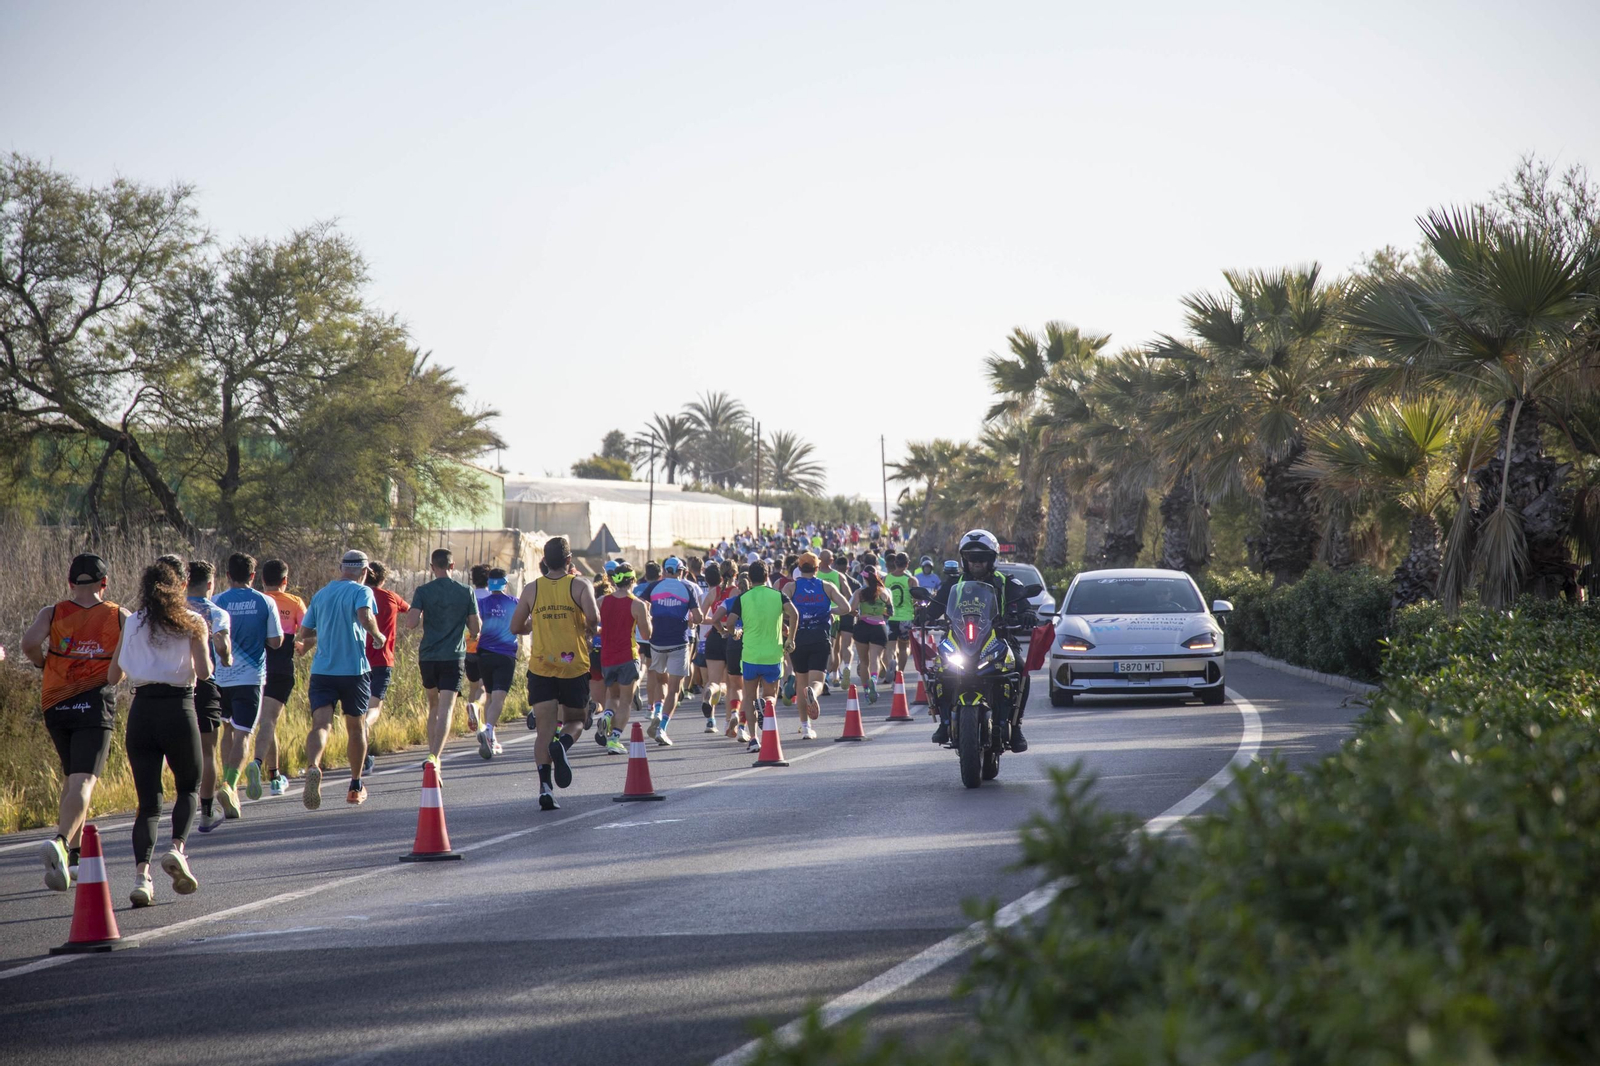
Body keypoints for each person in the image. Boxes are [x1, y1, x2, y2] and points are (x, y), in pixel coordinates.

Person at [21, 552, 127, 892]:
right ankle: (62, 842)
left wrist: (42, 664)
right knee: (84, 780)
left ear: (70, 582)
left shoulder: (52, 612)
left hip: (56, 704)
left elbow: (29, 643)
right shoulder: (118, 615)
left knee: (71, 778)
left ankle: (75, 858)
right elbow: (122, 667)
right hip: (93, 704)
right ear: (104, 583)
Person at [107, 560, 210, 906]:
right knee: (188, 787)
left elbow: (112, 676)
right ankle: (177, 849)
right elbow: (206, 671)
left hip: (142, 712)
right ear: (180, 587)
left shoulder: (133, 622)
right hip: (178, 708)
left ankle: (141, 878)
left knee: (148, 804)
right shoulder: (193, 622)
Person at [512, 536, 600, 811]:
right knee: (576, 719)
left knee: (543, 730)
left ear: (544, 562)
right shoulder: (581, 585)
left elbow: (516, 626)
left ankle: (545, 789)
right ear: (569, 560)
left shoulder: (531, 589)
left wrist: (534, 623)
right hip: (573, 667)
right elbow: (594, 619)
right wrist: (587, 629)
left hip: (541, 668)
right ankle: (562, 745)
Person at [928, 529, 1033, 751]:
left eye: (982, 557)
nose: (976, 562)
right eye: (971, 557)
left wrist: (1026, 614)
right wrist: (923, 616)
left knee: (1021, 670)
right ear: (964, 559)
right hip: (958, 641)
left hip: (997, 640)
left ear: (992, 558)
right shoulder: (953, 584)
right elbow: (935, 607)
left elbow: (1024, 603)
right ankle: (944, 722)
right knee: (938, 672)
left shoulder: (1006, 582)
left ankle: (1016, 726)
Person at [298, 550, 386, 809]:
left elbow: (304, 632)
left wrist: (324, 631)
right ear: (365, 571)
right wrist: (377, 636)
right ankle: (356, 785)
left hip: (323, 670)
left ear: (341, 567)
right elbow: (365, 616)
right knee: (356, 728)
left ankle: (314, 765)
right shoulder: (362, 591)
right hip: (354, 671)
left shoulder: (321, 594)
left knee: (321, 725)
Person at [212, 553, 284, 815]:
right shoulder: (265, 601)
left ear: (227, 575)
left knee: (227, 730)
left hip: (220, 677)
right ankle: (230, 785)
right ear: (253, 576)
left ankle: (227, 786)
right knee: (243, 733)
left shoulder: (217, 600)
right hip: (251, 678)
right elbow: (276, 641)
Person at [403, 548, 481, 770]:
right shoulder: (466, 591)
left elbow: (410, 623)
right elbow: (475, 628)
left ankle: (431, 753)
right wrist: (471, 630)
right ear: (452, 566)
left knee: (434, 706)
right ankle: (435, 758)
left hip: (428, 656)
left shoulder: (423, 591)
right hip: (453, 656)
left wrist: (420, 613)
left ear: (431, 568)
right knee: (447, 707)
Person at [713, 561, 797, 753]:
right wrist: (790, 639)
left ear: (749, 578)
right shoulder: (778, 595)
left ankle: (753, 739)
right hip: (773, 654)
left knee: (749, 697)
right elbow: (795, 614)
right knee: (771, 697)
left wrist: (732, 633)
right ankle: (765, 705)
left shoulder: (742, 598)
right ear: (767, 577)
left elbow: (729, 621)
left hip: (750, 655)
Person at [186, 561, 235, 832]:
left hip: (168, 684)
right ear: (210, 585)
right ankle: (205, 811)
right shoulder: (216, 612)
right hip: (204, 683)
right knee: (207, 751)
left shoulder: (171, 610)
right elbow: (222, 644)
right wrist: (226, 656)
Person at [787, 552, 852, 738]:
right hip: (819, 637)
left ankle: (805, 726)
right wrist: (828, 610)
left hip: (798, 638)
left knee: (801, 681)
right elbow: (846, 608)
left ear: (799, 568)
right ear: (817, 568)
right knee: (817, 681)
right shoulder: (826, 586)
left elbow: (781, 607)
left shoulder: (791, 587)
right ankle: (813, 694)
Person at [642, 556, 702, 747]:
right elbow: (699, 617)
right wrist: (689, 616)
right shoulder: (688, 587)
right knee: (674, 689)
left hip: (657, 642)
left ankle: (657, 711)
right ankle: (663, 727)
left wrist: (652, 617)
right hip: (679, 642)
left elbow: (639, 605)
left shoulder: (653, 587)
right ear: (681, 571)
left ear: (665, 570)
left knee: (661, 680)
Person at [596, 561, 652, 755]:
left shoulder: (602, 601)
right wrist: (649, 616)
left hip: (607, 657)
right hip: (628, 656)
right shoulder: (638, 604)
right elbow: (646, 635)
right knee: (626, 701)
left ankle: (607, 715)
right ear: (633, 581)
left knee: (612, 696)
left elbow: (591, 625)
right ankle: (614, 739)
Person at [258, 560, 304, 796]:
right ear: (285, 580)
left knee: (263, 724)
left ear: (262, 580)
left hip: (251, 671)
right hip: (280, 670)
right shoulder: (294, 602)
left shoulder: (255, 600)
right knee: (268, 722)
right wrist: (305, 645)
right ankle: (258, 766)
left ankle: (274, 775)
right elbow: (310, 630)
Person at [361, 561, 411, 775]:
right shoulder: (390, 597)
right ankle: (364, 727)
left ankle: (363, 754)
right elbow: (411, 611)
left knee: (359, 705)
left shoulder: (357, 596)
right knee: (374, 707)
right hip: (382, 659)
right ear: (383, 579)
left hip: (358, 660)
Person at [473, 567, 519, 759]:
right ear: (505, 583)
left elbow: (474, 626)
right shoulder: (515, 603)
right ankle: (488, 729)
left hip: (484, 654)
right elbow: (525, 624)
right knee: (499, 698)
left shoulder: (481, 603)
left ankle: (491, 738)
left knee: (490, 696)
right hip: (505, 654)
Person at [850, 566, 891, 703]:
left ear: (864, 578)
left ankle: (867, 692)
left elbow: (852, 609)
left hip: (862, 626)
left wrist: (857, 613)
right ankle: (874, 679)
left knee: (863, 662)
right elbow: (891, 613)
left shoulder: (859, 593)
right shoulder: (885, 592)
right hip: (879, 627)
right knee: (876, 660)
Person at [817, 549, 853, 690]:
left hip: (820, 615)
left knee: (828, 648)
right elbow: (849, 594)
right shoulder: (838, 576)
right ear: (831, 561)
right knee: (835, 648)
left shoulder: (815, 575)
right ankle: (836, 674)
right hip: (837, 614)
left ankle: (828, 677)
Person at [462, 564, 492, 732]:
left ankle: (477, 723)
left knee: (473, 686)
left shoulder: (468, 596)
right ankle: (475, 707)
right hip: (487, 646)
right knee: (484, 687)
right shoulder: (491, 598)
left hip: (468, 647)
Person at [884, 553, 916, 682]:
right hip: (906, 617)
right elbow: (917, 598)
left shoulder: (886, 579)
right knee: (904, 647)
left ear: (895, 563)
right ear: (907, 564)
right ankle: (900, 674)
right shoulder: (911, 580)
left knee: (890, 646)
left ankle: (892, 661)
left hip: (890, 617)